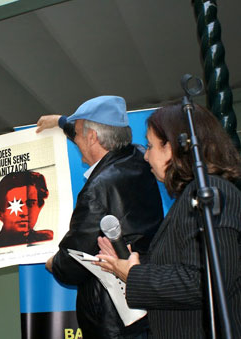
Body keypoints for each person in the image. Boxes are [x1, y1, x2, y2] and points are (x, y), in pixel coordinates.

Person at [95, 102, 241, 338]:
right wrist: (134, 261)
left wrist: (133, 275)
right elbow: (182, 263)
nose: (145, 156)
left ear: (172, 148)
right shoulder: (191, 197)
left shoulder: (210, 192)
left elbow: (205, 281)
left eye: (151, 146)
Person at [37, 95, 164, 338]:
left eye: (79, 133)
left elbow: (72, 264)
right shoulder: (138, 157)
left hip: (113, 321)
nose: (76, 139)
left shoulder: (97, 190)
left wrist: (54, 263)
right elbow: (86, 130)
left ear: (93, 137)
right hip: (145, 304)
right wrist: (61, 122)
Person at [0, 170, 52, 249]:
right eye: (15, 205)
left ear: (40, 206)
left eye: (30, 204)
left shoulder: (47, 238)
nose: (25, 212)